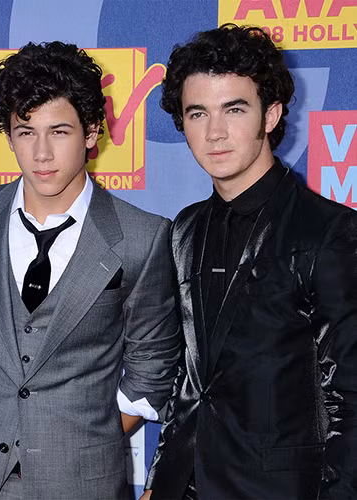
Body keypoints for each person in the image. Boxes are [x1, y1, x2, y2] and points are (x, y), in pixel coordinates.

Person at [0, 41, 180, 499]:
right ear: (8, 136)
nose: (41, 153)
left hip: (83, 480)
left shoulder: (142, 236)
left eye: (59, 131)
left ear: (91, 132)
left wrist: (85, 436)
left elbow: (153, 365)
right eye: (26, 132)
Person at [143, 24, 357, 499]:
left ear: (271, 114)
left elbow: (350, 398)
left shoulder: (328, 230)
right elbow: (188, 377)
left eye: (234, 109)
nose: (215, 132)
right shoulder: (185, 229)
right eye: (198, 113)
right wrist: (159, 481)